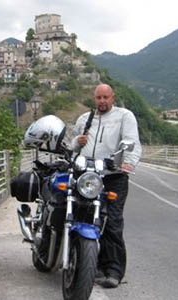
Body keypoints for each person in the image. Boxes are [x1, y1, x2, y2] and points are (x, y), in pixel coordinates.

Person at [71, 83, 142, 288]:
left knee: (111, 221)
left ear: (112, 98)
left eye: (106, 97)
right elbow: (73, 144)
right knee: (83, 216)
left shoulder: (124, 116)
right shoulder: (85, 119)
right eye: (98, 98)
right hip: (87, 176)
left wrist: (128, 162)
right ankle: (89, 264)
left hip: (113, 176)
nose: (102, 101)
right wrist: (78, 141)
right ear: (94, 98)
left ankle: (114, 271)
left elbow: (131, 142)